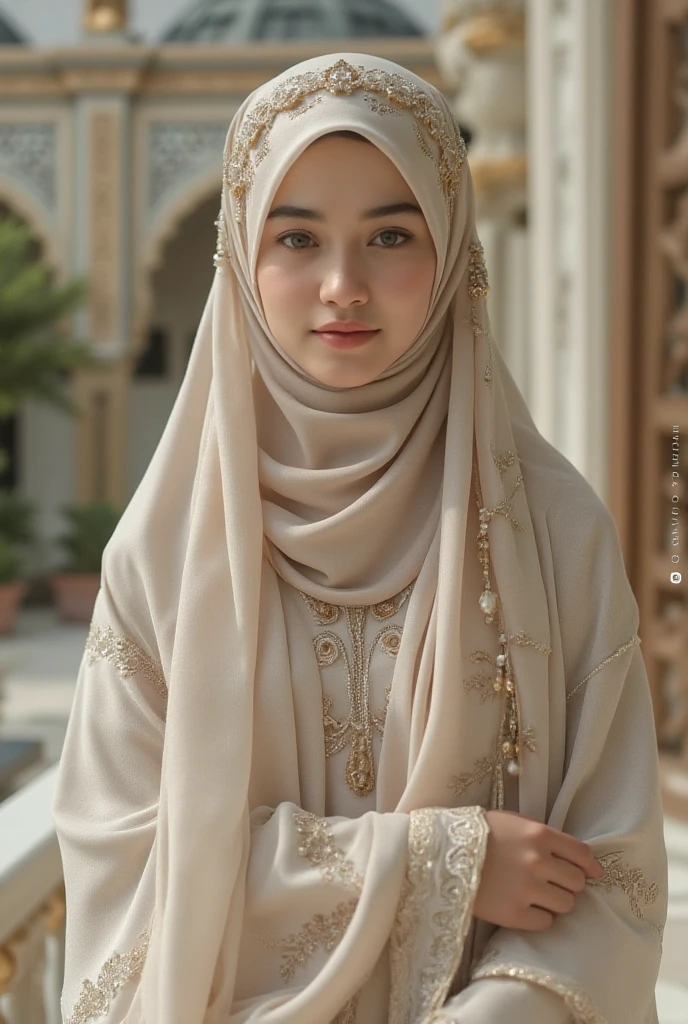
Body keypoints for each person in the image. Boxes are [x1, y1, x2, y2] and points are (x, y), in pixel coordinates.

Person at [51, 52, 668, 1024]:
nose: (343, 285)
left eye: (390, 234)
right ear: (240, 263)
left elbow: (615, 877)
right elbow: (129, 864)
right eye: (296, 237)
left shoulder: (555, 532)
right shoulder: (164, 557)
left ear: (457, 248)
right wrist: (447, 864)